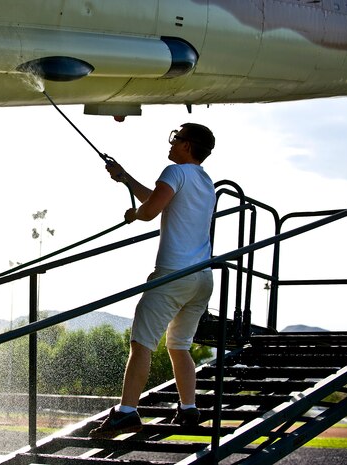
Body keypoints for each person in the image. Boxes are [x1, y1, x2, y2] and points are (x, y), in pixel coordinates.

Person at [89, 123, 216, 438]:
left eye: (178, 138)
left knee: (141, 343)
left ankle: (127, 413)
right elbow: (160, 198)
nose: (172, 143)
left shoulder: (175, 171)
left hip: (173, 274)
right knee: (179, 345)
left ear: (187, 146)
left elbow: (150, 210)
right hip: (202, 277)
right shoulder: (204, 181)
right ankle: (188, 411)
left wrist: (136, 215)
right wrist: (125, 178)